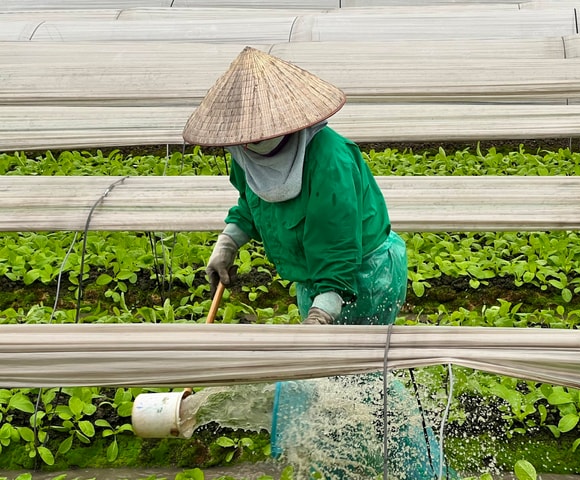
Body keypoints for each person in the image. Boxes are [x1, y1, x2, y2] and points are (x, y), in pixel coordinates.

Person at [183, 46, 452, 479]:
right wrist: (228, 243)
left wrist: (323, 310)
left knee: (359, 382)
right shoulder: (245, 155)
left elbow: (339, 241)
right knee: (322, 382)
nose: (247, 141)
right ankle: (339, 467)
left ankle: (410, 468)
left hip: (364, 276)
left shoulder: (328, 157)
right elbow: (251, 203)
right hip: (312, 276)